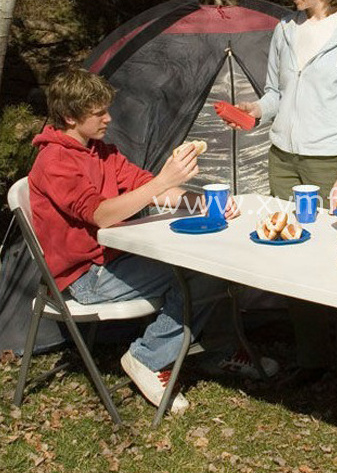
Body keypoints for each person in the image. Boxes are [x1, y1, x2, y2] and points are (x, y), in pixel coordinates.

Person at [28, 69, 278, 414]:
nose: (108, 118)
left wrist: (200, 202)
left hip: (115, 257)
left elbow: (141, 183)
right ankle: (147, 357)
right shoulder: (54, 161)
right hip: (84, 276)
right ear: (70, 117)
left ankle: (215, 353)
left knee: (212, 262)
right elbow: (100, 214)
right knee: (202, 273)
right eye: (98, 113)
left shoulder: (100, 152)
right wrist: (161, 182)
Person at [225, 0, 337, 391]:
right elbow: (276, 94)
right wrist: (255, 111)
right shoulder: (285, 29)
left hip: (332, 161)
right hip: (284, 160)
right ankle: (311, 358)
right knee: (292, 255)